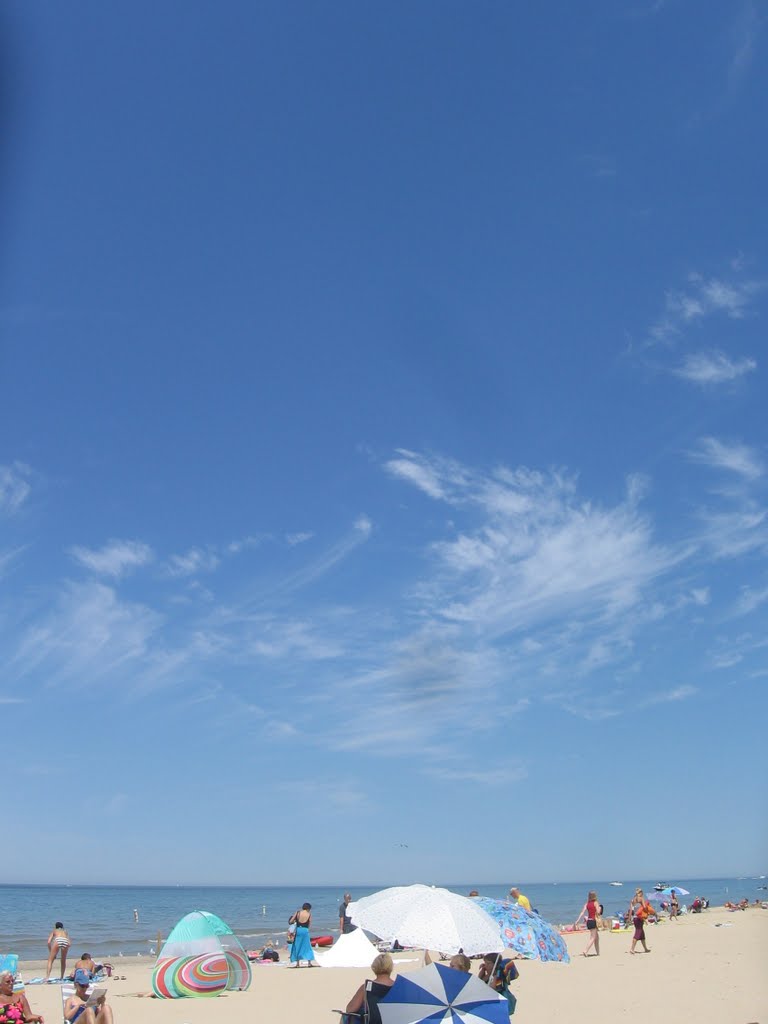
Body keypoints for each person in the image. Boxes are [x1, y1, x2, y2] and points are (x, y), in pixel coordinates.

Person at [341, 952, 395, 1024]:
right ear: (390, 968)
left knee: (346, 1017)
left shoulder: (366, 987)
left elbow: (350, 1009)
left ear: (374, 967)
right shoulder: (398, 987)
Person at [288, 903, 316, 967]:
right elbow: (309, 924)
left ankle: (297, 963)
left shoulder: (298, 912)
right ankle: (309, 963)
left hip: (298, 930)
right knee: (307, 946)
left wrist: (294, 922)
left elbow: (291, 921)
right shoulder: (309, 914)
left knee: (297, 945)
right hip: (305, 930)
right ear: (309, 908)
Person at [574, 891, 601, 956]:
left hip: (589, 921)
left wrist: (577, 921)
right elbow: (598, 912)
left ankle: (598, 952)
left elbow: (582, 912)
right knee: (593, 937)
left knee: (596, 937)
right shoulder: (596, 903)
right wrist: (600, 908)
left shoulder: (587, 904)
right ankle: (585, 951)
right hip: (594, 921)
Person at [629, 889, 652, 954]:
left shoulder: (633, 900)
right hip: (639, 918)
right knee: (638, 932)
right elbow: (644, 907)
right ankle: (632, 949)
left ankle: (645, 949)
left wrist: (629, 919)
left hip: (635, 918)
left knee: (641, 934)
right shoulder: (641, 898)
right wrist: (648, 910)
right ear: (641, 893)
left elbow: (631, 910)